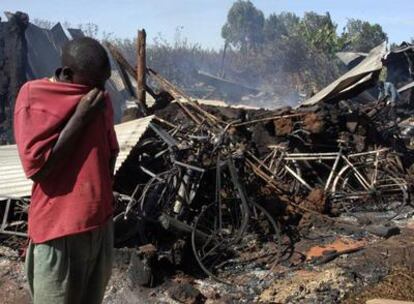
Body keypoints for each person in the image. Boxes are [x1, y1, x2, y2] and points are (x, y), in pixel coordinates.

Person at [14, 37, 119, 304]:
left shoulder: (100, 99)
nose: (101, 89)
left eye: (105, 81)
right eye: (95, 82)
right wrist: (80, 117)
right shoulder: (34, 96)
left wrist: (104, 195)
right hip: (58, 232)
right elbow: (37, 169)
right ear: (67, 74)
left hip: (100, 226)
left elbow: (110, 152)